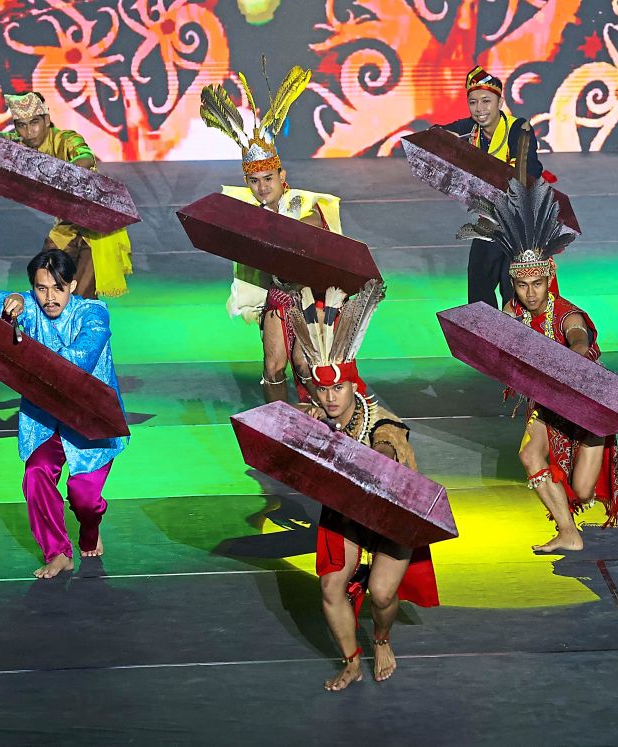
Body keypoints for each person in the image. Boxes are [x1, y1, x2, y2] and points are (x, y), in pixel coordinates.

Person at [459, 179, 618, 552]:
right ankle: (569, 533)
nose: (531, 293)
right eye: (522, 285)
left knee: (583, 489)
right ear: (514, 283)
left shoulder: (564, 312)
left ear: (549, 277)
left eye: (537, 283)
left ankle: (595, 450)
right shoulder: (514, 312)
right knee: (528, 455)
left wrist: (578, 349)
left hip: (586, 407)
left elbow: (578, 333)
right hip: (547, 403)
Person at [286, 280, 440, 690]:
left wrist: (370, 457)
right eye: (324, 389)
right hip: (347, 510)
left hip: (391, 511)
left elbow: (387, 455)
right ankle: (351, 660)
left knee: (382, 594)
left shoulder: (382, 423)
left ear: (355, 385)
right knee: (331, 584)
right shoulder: (317, 417)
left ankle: (382, 638)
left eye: (339, 387)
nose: (331, 396)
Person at [199, 65, 346, 403]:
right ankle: (280, 426)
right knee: (273, 366)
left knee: (304, 364)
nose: (263, 187)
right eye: (255, 181)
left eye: (268, 179)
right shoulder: (249, 213)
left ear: (282, 175)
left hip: (313, 297)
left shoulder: (303, 204)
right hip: (279, 296)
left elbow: (314, 229)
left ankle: (324, 419)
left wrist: (277, 230)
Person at [0, 249, 128, 579]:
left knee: (85, 499)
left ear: (73, 285)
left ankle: (90, 530)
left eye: (58, 288)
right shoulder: (30, 308)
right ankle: (58, 552)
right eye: (41, 288)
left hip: (90, 422)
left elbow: (82, 355)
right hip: (44, 420)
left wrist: (34, 359)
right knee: (36, 474)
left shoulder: (93, 313)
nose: (50, 297)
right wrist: (12, 299)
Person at [0, 92, 133, 299]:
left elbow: (85, 157)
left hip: (96, 224)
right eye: (21, 125)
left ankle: (84, 329)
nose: (29, 131)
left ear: (47, 119)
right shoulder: (22, 144)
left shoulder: (66, 138)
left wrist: (61, 175)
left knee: (82, 293)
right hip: (67, 223)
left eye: (34, 122)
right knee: (46, 276)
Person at [437, 65, 546, 309]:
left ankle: (516, 344)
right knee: (478, 286)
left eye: (486, 101)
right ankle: (483, 341)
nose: (480, 109)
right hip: (488, 219)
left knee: (514, 292)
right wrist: (447, 139)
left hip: (519, 223)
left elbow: (530, 171)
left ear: (500, 101)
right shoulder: (471, 129)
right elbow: (435, 136)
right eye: (473, 102)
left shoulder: (519, 129)